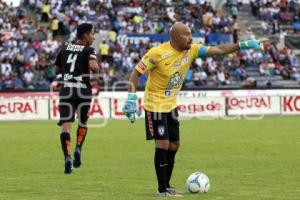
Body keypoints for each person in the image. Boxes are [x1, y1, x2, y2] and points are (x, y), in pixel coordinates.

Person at [122, 22, 266, 197]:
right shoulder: (157, 53)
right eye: (186, 34)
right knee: (162, 144)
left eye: (190, 34)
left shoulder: (192, 50)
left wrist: (243, 45)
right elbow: (136, 73)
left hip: (171, 105)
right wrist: (131, 98)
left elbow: (219, 50)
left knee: (174, 145)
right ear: (175, 37)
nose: (190, 38)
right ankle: (162, 190)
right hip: (154, 105)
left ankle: (167, 186)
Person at [54, 23, 100, 174]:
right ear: (85, 35)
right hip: (83, 91)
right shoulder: (89, 50)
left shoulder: (65, 47)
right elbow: (94, 67)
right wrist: (95, 68)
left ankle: (67, 158)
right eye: (92, 34)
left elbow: (57, 69)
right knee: (83, 122)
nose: (93, 37)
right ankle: (78, 149)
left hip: (67, 89)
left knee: (65, 126)